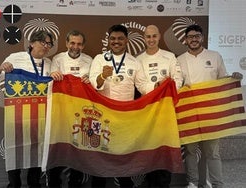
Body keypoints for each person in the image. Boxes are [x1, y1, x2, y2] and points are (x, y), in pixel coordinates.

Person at [177, 24, 243, 188]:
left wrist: (233, 77)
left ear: (202, 38)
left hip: (211, 114)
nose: (194, 39)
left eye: (197, 36)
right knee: (191, 151)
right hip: (190, 113)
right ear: (185, 40)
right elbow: (177, 85)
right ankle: (192, 182)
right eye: (190, 36)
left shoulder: (215, 56)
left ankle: (217, 184)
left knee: (212, 152)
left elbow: (222, 82)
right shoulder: (179, 60)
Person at [0, 30, 54, 187]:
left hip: (40, 118)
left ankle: (34, 183)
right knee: (14, 153)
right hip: (17, 118)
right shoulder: (15, 58)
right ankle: (13, 183)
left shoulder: (49, 63)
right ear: (31, 43)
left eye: (49, 44)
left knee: (38, 151)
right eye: (43, 42)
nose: (46, 46)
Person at [89, 24, 155, 188]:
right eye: (113, 38)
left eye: (120, 38)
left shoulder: (134, 62)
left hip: (125, 118)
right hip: (101, 116)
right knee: (99, 158)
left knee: (124, 157)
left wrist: (159, 87)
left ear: (126, 41)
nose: (116, 41)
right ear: (108, 40)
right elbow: (93, 85)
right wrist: (102, 77)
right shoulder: (99, 59)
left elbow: (143, 86)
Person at [136, 24, 183, 188]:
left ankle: (164, 182)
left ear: (159, 37)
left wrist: (167, 87)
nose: (151, 40)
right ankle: (149, 180)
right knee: (149, 147)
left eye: (154, 36)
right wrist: (157, 87)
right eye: (148, 36)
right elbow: (140, 84)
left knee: (164, 148)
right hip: (147, 110)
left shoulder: (169, 57)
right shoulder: (138, 59)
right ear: (144, 38)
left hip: (165, 111)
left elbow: (177, 80)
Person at [48, 30, 92, 188]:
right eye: (72, 43)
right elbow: (51, 80)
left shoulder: (89, 60)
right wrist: (53, 74)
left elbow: (93, 85)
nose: (75, 46)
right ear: (67, 43)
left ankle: (76, 183)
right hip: (60, 114)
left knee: (78, 151)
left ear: (83, 45)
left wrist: (90, 80)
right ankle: (54, 183)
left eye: (79, 44)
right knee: (58, 150)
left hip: (81, 114)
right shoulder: (57, 59)